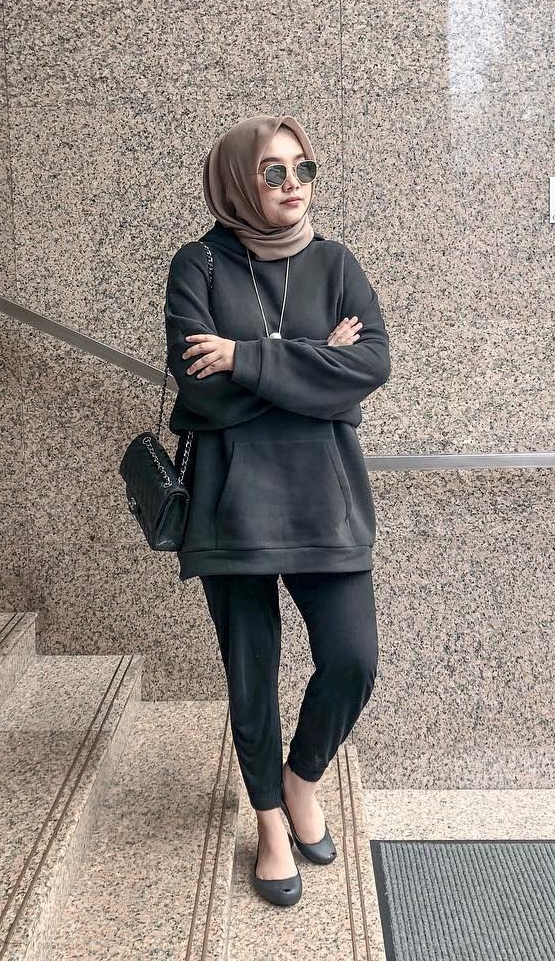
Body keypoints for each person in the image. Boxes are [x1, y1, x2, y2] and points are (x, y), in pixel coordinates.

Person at [163, 113, 390, 908]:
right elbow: (199, 390)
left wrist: (246, 359)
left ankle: (302, 778)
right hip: (231, 506)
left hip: (325, 500)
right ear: (237, 182)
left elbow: (371, 365)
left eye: (303, 169)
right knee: (251, 672)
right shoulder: (197, 265)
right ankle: (267, 821)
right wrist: (316, 365)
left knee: (354, 660)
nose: (293, 186)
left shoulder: (335, 263)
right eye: (273, 172)